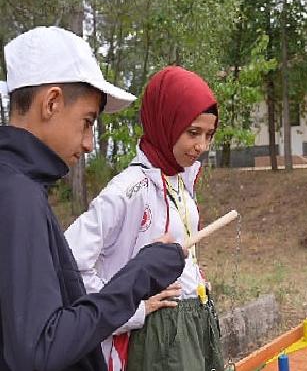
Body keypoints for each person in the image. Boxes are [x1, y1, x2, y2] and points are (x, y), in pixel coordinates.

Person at [0, 27, 186, 371]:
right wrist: (141, 274)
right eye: (87, 122)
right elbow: (40, 349)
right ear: (51, 102)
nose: (88, 143)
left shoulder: (17, 184)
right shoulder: (17, 195)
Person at [65, 66, 223, 371]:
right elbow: (69, 264)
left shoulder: (179, 178)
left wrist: (193, 279)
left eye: (209, 135)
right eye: (193, 132)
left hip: (191, 325)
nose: (202, 146)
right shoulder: (128, 189)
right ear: (166, 121)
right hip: (154, 341)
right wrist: (131, 311)